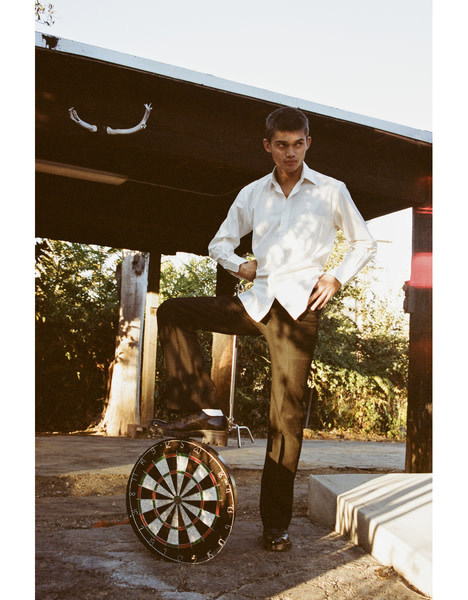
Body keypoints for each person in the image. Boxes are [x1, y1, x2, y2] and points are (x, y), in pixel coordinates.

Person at [151, 106, 377, 552]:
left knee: (285, 420)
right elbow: (219, 243)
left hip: (298, 311)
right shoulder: (253, 193)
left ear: (308, 143)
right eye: (282, 145)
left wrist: (336, 277)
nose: (291, 152)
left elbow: (363, 242)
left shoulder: (331, 190)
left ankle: (275, 526)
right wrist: (242, 266)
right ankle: (201, 407)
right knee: (174, 310)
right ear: (268, 146)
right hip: (255, 302)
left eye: (298, 144)